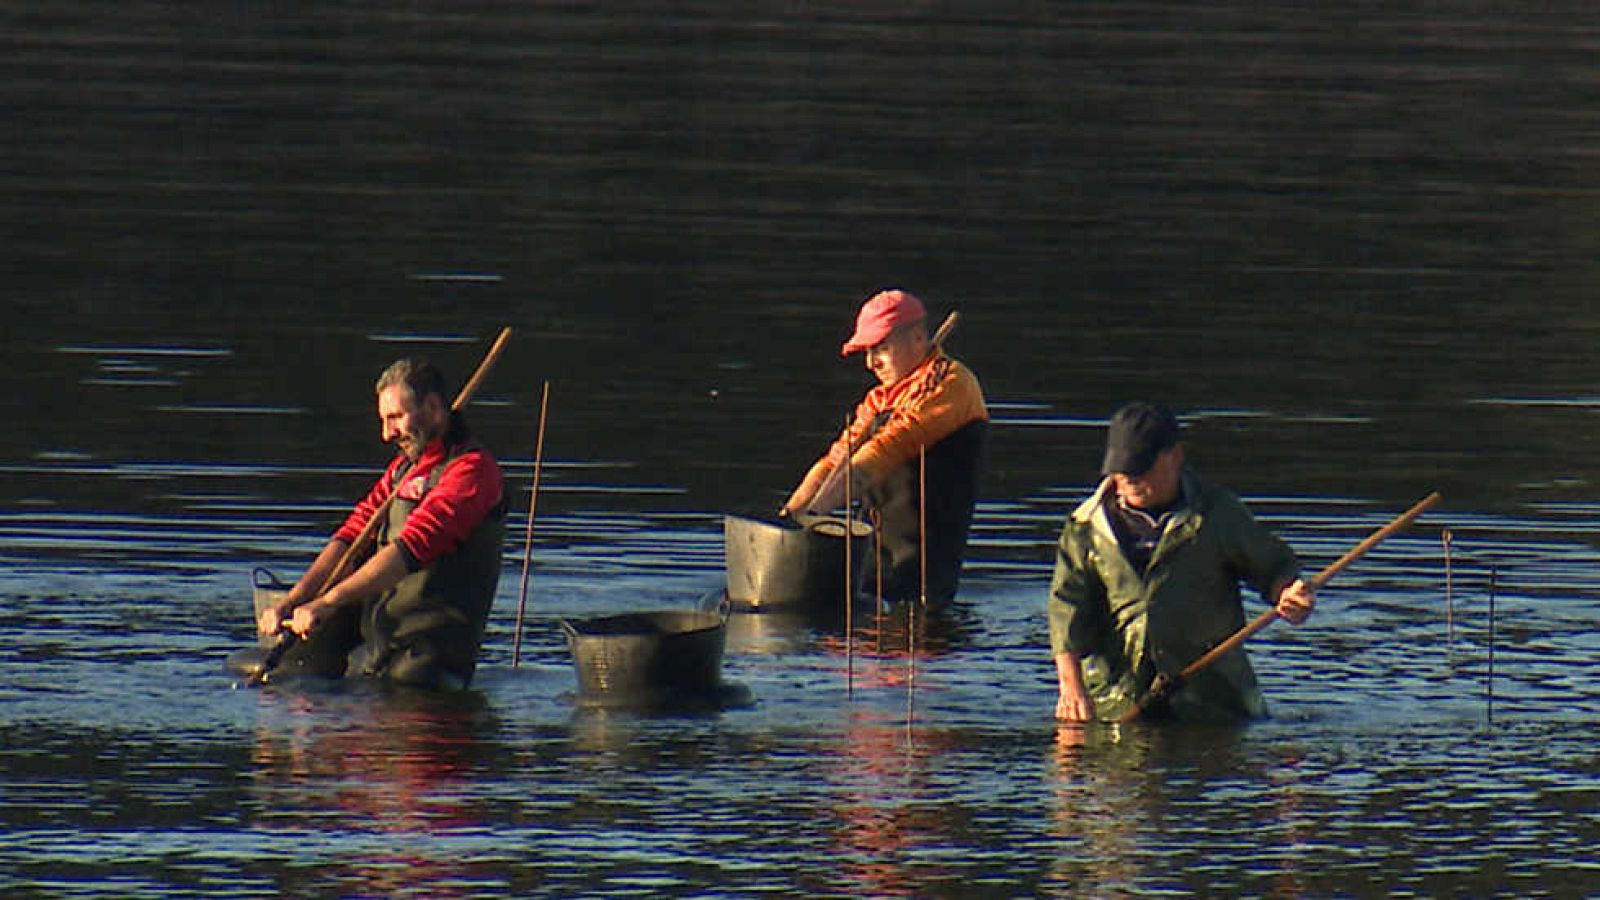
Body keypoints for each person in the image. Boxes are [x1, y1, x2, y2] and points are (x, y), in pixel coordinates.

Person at [1048, 402, 1315, 722]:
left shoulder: (1217, 514)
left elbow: (1274, 567)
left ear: (1175, 456)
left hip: (1214, 702)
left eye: (1141, 468)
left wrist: (1290, 595)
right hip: (1117, 702)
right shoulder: (1085, 528)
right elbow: (1066, 609)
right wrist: (1071, 688)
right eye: (1122, 470)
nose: (1129, 479)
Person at [257, 357, 507, 689]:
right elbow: (352, 536)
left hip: (428, 654)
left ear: (434, 407)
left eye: (396, 418)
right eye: (383, 420)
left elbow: (411, 548)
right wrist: (294, 601)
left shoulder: (472, 472)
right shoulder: (402, 470)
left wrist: (329, 602)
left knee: (380, 693)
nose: (387, 434)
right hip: (382, 639)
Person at [780, 288, 988, 607]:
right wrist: (788, 521)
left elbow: (883, 452)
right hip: (873, 570)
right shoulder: (879, 400)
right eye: (867, 351)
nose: (871, 363)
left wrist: (814, 516)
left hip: (923, 580)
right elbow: (835, 461)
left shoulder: (951, 385)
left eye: (881, 348)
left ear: (917, 338)